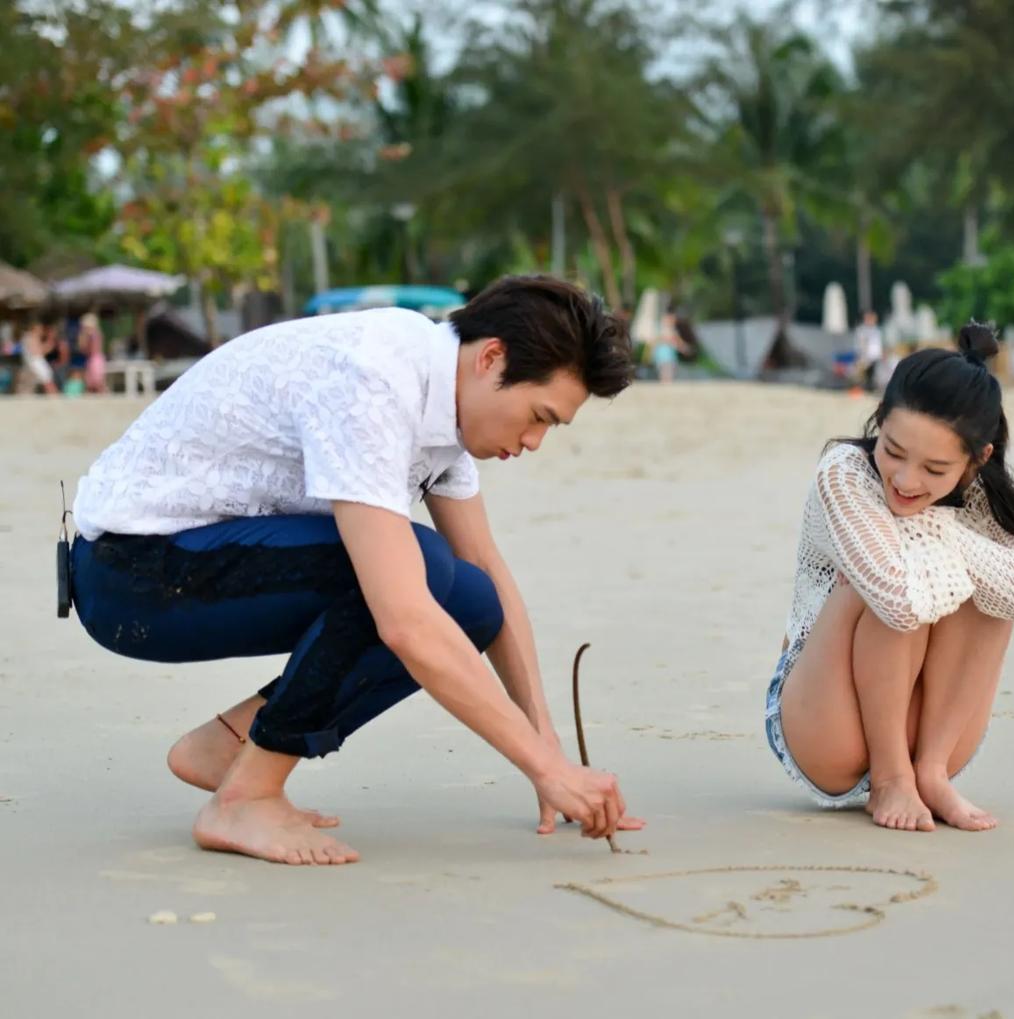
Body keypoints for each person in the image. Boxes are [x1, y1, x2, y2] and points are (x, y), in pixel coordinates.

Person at [69, 275, 643, 866]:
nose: (534, 441)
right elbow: (401, 619)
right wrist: (543, 768)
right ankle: (245, 798)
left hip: (194, 562)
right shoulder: (375, 378)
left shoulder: (445, 401)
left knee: (470, 598)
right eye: (538, 416)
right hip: (133, 572)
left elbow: (482, 565)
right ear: (491, 358)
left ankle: (231, 748)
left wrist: (546, 742)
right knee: (411, 569)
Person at [764, 323, 1014, 832]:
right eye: (894, 451)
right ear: (879, 419)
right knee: (880, 583)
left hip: (934, 737)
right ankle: (890, 779)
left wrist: (946, 534)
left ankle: (928, 775)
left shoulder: (979, 499)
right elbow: (897, 598)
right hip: (825, 725)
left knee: (996, 594)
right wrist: (941, 533)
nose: (905, 481)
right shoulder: (846, 472)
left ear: (978, 461)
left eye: (935, 469)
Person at [652, 307, 691, 384]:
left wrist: (684, 348)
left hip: (667, 358)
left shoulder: (668, 330)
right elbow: (676, 342)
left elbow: (678, 343)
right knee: (667, 379)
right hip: (665, 358)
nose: (674, 321)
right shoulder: (664, 330)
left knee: (666, 378)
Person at [19, 323, 59, 395]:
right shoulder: (31, 337)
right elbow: (37, 352)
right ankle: (54, 396)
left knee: (46, 381)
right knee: (47, 381)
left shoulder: (30, 337)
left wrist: (50, 341)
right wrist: (50, 340)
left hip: (35, 362)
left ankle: (53, 395)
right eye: (40, 329)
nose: (42, 331)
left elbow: (42, 351)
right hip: (36, 362)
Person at [853, 310, 884, 391]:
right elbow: (861, 344)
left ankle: (871, 388)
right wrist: (863, 356)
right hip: (866, 356)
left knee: (873, 375)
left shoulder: (877, 330)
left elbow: (878, 344)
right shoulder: (862, 330)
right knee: (864, 375)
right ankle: (863, 388)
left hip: (875, 356)